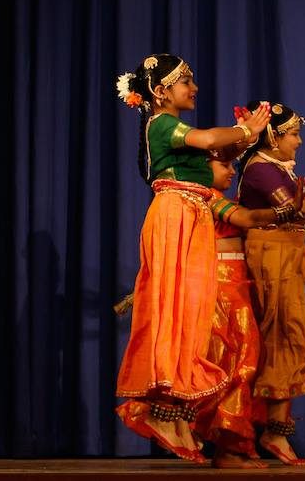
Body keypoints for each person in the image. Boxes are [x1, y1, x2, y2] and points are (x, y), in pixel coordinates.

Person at [112, 53, 271, 462]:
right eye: (186, 81)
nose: (194, 88)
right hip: (175, 215)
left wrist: (247, 136)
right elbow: (206, 140)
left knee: (193, 318)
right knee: (176, 312)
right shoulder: (163, 123)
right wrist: (241, 129)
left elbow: (219, 152)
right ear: (161, 92)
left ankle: (177, 413)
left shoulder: (173, 130)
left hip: (192, 215)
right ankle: (166, 410)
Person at [236, 101, 305, 465]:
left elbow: (303, 214)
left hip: (285, 254)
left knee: (288, 335)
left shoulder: (275, 167)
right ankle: (268, 432)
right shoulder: (262, 171)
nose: (298, 142)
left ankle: (270, 428)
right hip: (271, 256)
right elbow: (298, 211)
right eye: (293, 134)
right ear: (272, 137)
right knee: (280, 335)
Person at [193, 154, 305, 468]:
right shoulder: (208, 198)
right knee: (238, 364)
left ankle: (234, 447)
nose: (231, 171)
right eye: (224, 166)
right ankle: (228, 450)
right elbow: (246, 220)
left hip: (237, 283)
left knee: (243, 364)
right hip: (222, 286)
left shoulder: (219, 198)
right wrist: (288, 209)